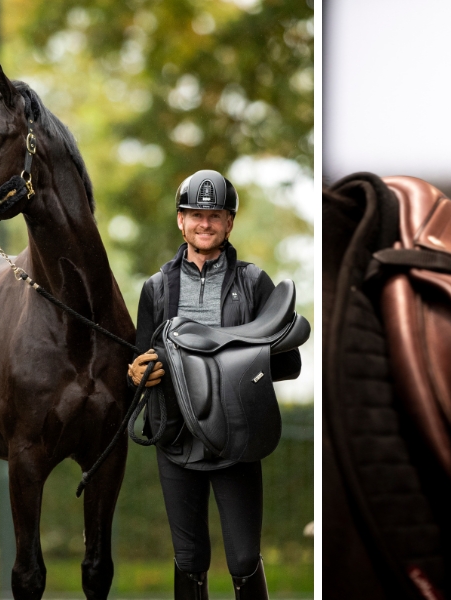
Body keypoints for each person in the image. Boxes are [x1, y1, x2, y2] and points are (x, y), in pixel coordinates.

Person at [127, 170, 301, 600]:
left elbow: (285, 363)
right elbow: (137, 361)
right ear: (181, 221)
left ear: (229, 223)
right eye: (195, 214)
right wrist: (136, 372)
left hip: (236, 437)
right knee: (189, 558)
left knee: (243, 558)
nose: (204, 223)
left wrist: (239, 373)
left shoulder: (254, 281)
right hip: (176, 438)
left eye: (215, 215)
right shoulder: (155, 288)